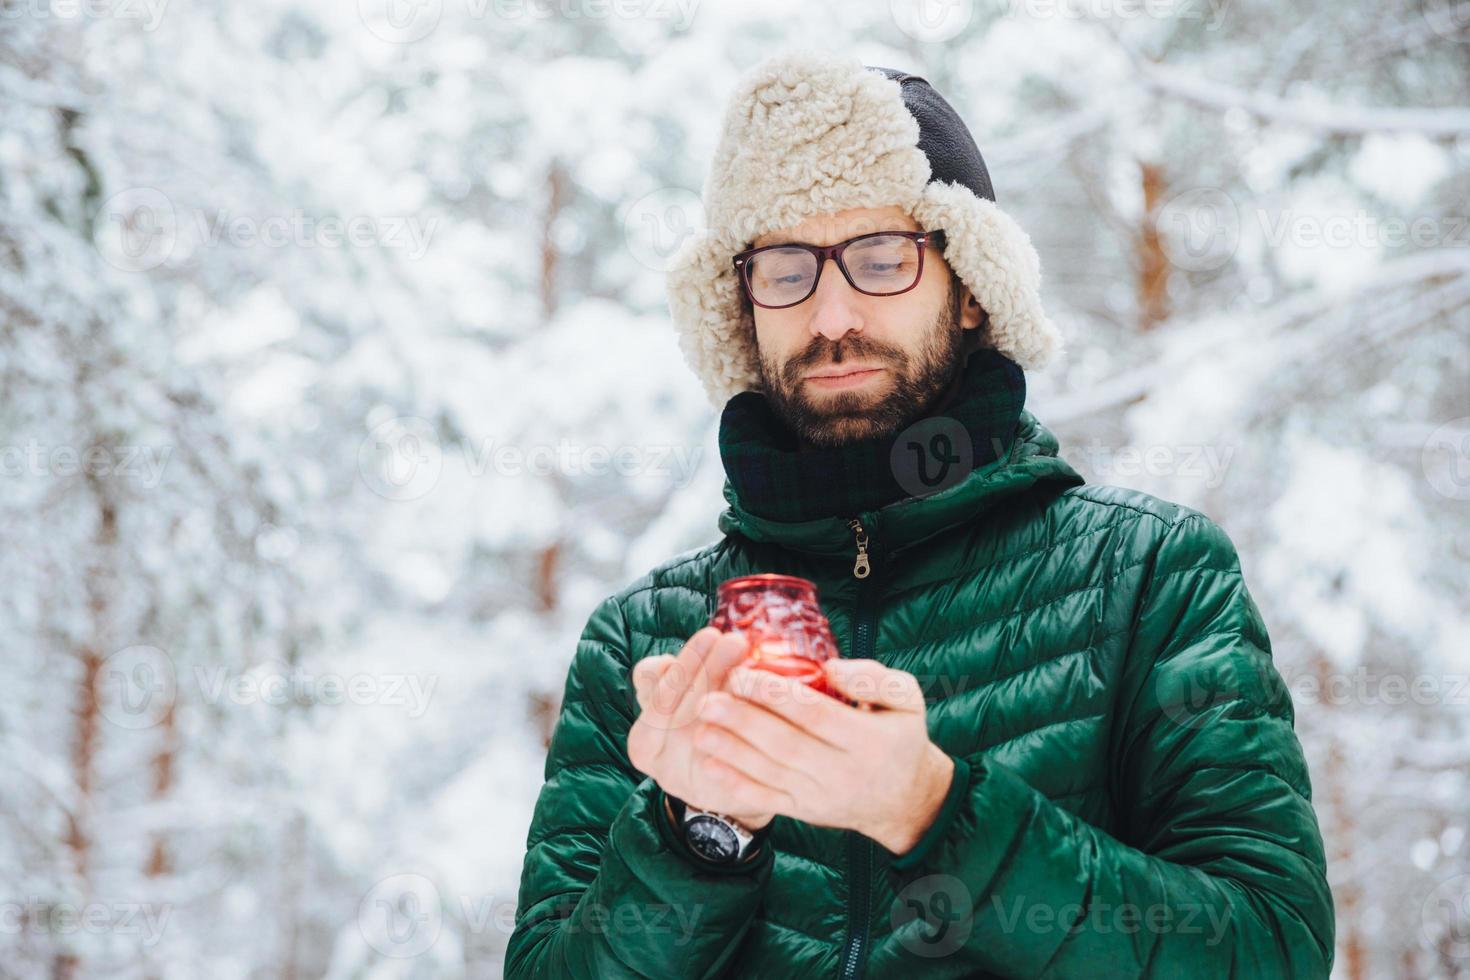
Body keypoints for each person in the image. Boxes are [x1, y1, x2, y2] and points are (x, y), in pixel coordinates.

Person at [506, 49, 1334, 978]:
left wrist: (935, 809)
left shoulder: (1149, 579)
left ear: (972, 287)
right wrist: (698, 838)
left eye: (881, 259)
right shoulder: (645, 644)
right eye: (785, 269)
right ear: (740, 307)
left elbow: (1271, 950)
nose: (829, 316)